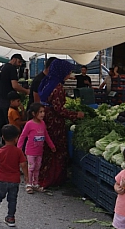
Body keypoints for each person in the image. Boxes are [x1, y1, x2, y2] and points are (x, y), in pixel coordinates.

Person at [41, 59, 85, 187]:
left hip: (45, 119)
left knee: (47, 150)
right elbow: (58, 109)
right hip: (54, 123)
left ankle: (43, 176)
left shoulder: (47, 82)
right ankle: (53, 179)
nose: (69, 74)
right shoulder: (58, 87)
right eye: (68, 71)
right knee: (56, 150)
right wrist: (76, 115)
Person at [0, 124, 28, 228]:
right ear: (16, 138)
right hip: (14, 180)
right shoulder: (18, 151)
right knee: (12, 199)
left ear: (3, 137)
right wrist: (26, 176)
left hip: (2, 178)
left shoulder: (0, 151)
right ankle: (10, 218)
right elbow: (23, 164)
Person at [0, 54, 29, 151]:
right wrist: (26, 91)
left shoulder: (1, 67)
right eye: (19, 62)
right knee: (10, 122)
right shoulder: (11, 69)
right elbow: (15, 86)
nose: (20, 64)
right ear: (15, 59)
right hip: (6, 98)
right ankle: (10, 143)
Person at [17, 102, 55, 194]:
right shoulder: (29, 124)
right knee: (31, 167)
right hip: (30, 150)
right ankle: (28, 183)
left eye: (43, 112)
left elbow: (46, 135)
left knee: (37, 167)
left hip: (39, 151)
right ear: (34, 114)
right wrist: (19, 148)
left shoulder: (42, 123)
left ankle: (35, 183)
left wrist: (51, 145)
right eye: (40, 112)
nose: (43, 114)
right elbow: (23, 136)